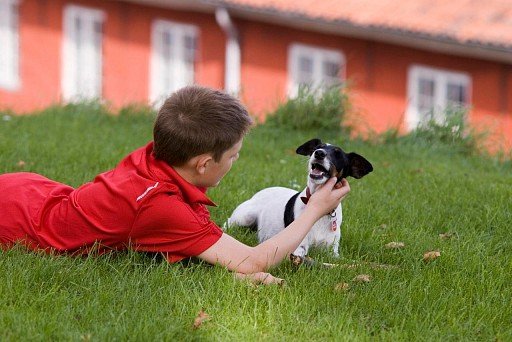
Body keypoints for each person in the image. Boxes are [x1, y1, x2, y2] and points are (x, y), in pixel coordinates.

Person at [0, 85, 350, 285]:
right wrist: (315, 207)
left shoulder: (157, 156)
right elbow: (253, 260)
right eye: (233, 155)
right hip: (14, 219)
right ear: (203, 164)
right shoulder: (162, 206)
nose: (236, 161)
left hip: (28, 192)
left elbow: (173, 244)